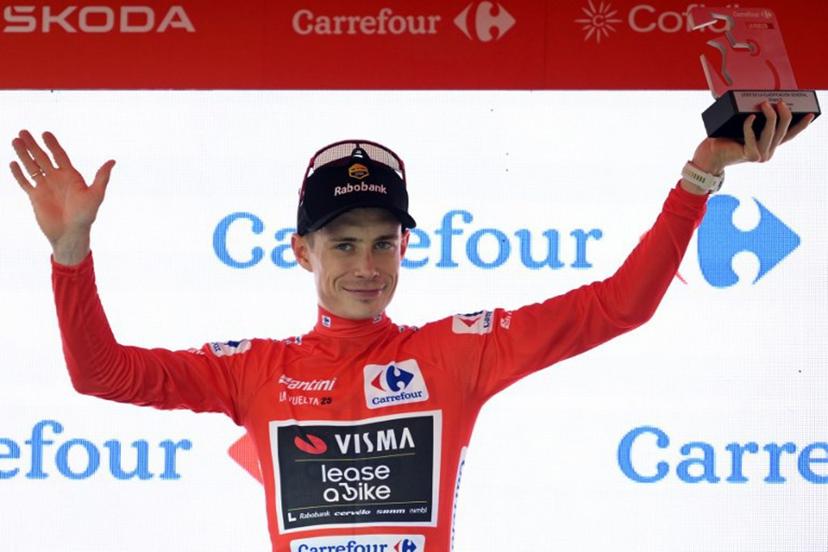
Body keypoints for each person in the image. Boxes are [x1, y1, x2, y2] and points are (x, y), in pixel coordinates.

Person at [9, 103, 813, 552]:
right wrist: (72, 255)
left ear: (405, 245)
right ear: (301, 250)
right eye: (342, 243)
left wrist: (701, 173)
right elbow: (102, 374)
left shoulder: (455, 350)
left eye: (383, 242)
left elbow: (621, 304)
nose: (366, 265)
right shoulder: (252, 369)